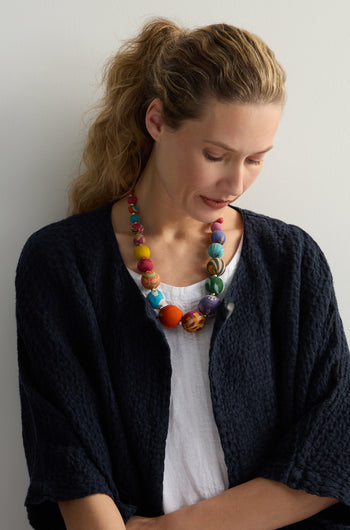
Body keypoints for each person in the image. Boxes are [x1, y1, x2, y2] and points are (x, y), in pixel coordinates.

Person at [15, 17, 350, 530]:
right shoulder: (61, 263)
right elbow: (67, 455)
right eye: (215, 155)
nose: (235, 182)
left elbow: (334, 442)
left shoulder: (292, 261)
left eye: (256, 160)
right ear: (157, 120)